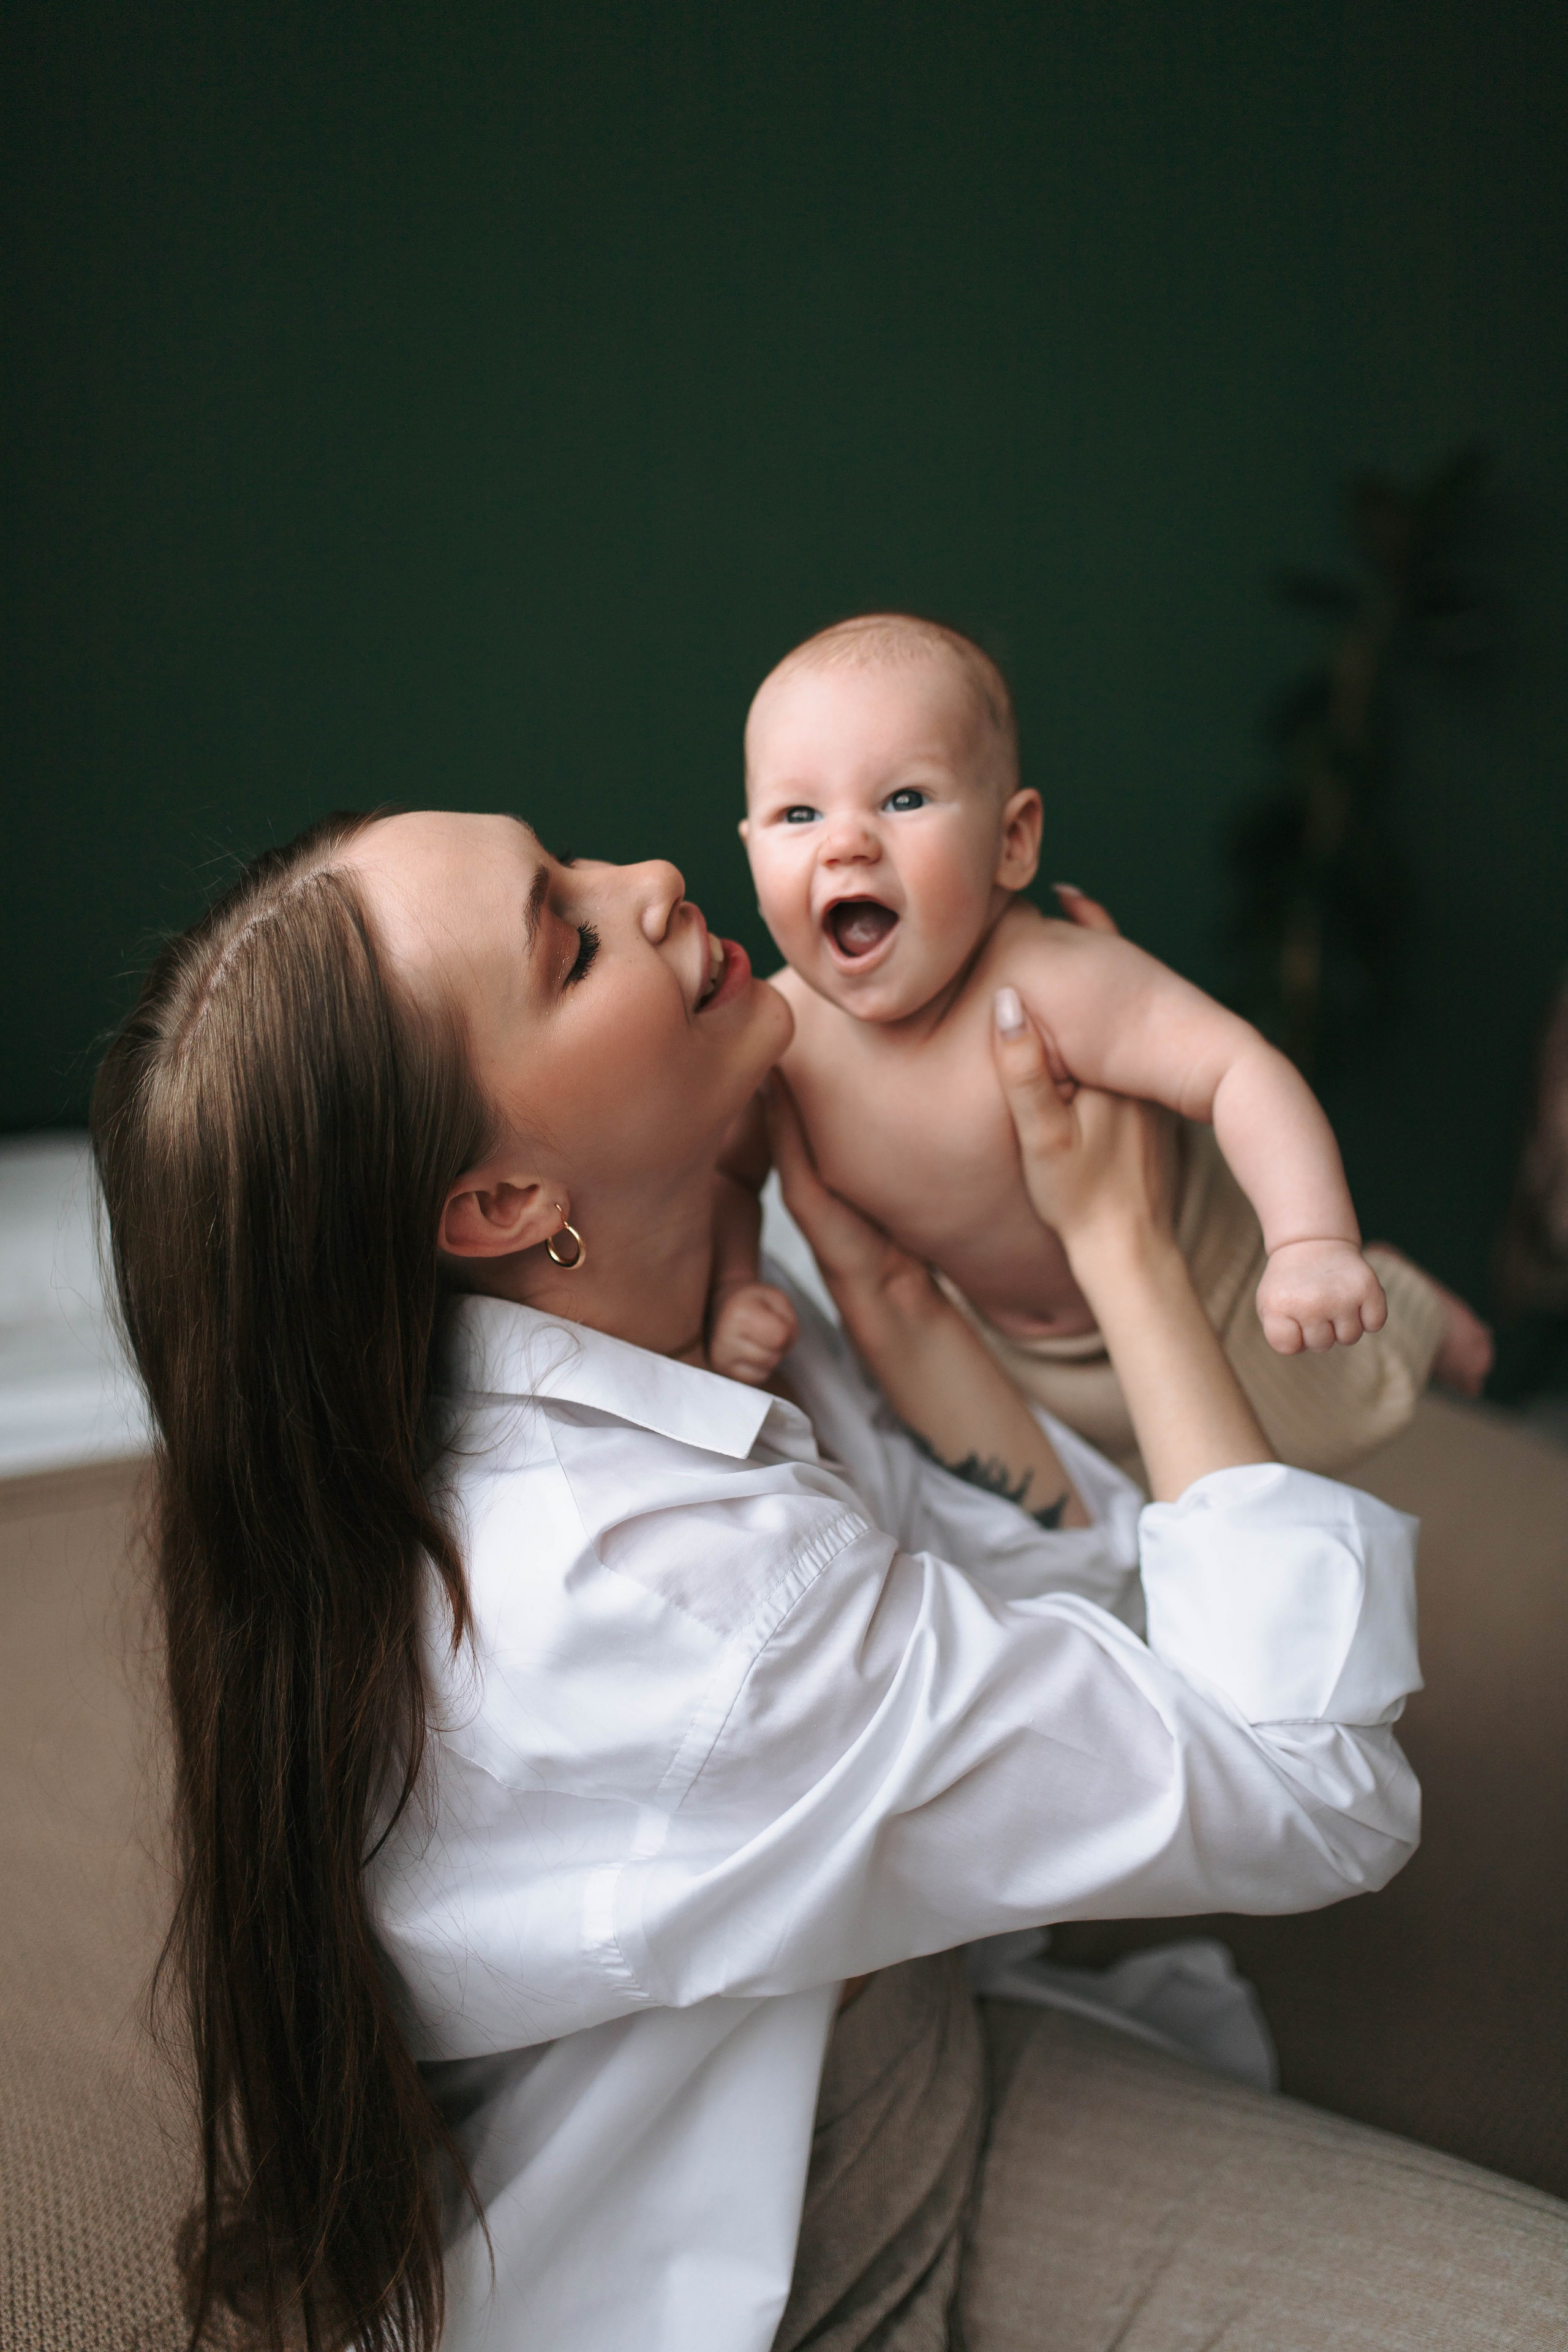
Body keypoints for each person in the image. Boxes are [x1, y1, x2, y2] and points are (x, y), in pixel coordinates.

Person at [91, 807, 1496, 2352]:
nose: (648, 881)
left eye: (566, 858)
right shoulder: (663, 1594)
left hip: (872, 2016)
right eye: (566, 943)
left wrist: (895, 1300)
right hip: (815, 2210)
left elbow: (1067, 1604)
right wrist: (1123, 1242)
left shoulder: (668, 1306)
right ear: (498, 1207)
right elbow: (1310, 1784)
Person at [709, 612, 1493, 1479]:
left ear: (1012, 842)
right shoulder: (777, 1040)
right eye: (798, 813)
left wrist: (1312, 1244)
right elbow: (727, 1171)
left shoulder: (1047, 980)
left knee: (1344, 1409)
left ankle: (1415, 1308)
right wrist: (739, 1279)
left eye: (905, 800)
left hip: (1211, 1291)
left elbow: (1239, 1069)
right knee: (1141, 1522)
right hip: (1017, 1352)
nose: (846, 842)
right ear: (750, 850)